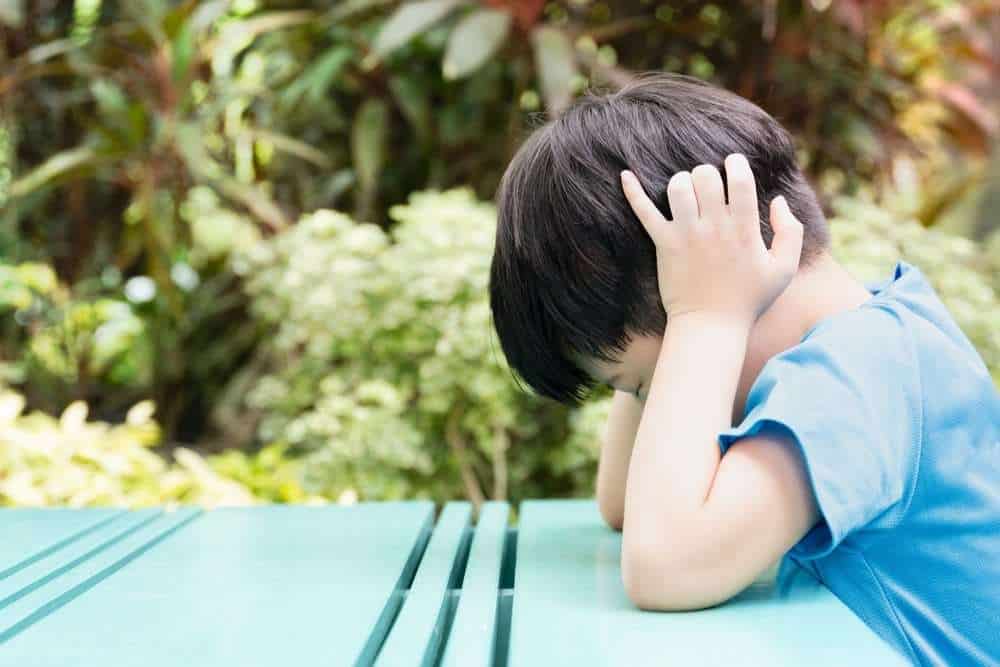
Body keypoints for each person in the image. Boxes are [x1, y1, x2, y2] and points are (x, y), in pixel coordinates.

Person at [488, 72, 1000, 666]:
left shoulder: (858, 374)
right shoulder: (878, 332)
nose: (661, 401)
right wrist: (684, 320)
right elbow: (623, 505)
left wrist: (704, 317)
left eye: (646, 385)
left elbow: (665, 566)